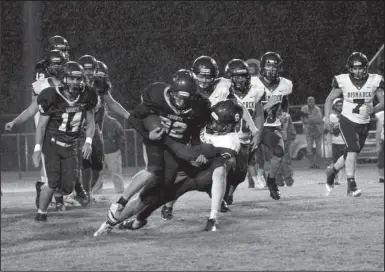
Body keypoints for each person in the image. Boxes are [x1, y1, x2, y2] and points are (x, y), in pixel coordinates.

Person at [93, 99, 244, 236]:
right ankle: (113, 223)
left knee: (220, 170)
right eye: (214, 120)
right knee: (148, 199)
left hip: (203, 176)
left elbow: (223, 166)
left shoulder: (230, 141)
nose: (214, 125)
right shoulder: (201, 120)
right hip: (183, 168)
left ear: (231, 126)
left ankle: (213, 218)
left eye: (221, 124)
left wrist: (205, 157)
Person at [32, 61, 97, 221]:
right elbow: (41, 126)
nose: (75, 82)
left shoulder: (87, 95)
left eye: (78, 79)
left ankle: (56, 196)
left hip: (71, 145)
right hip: (52, 144)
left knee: (68, 187)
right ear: (64, 79)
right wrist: (37, 148)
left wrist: (88, 141)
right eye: (71, 78)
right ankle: (41, 214)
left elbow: (90, 123)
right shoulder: (51, 95)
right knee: (53, 182)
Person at [324, 52, 384, 196]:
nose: (357, 70)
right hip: (347, 120)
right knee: (352, 150)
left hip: (364, 122)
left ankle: (332, 170)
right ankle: (351, 184)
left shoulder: (375, 80)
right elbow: (329, 99)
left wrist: (374, 108)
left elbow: (383, 102)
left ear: (366, 67)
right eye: (354, 68)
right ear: (350, 68)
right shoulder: (342, 80)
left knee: (351, 152)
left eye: (360, 67)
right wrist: (327, 119)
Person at [76, 56, 130, 204]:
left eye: (90, 69)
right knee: (79, 164)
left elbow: (111, 103)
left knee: (97, 166)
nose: (87, 72)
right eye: (84, 68)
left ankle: (85, 193)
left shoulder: (99, 84)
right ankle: (77, 193)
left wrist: (128, 116)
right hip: (76, 130)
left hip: (95, 129)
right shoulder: (74, 84)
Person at [247, 51, 293, 200]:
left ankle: (271, 181)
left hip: (272, 127)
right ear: (262, 67)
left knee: (279, 152)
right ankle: (229, 191)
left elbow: (284, 101)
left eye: (275, 67)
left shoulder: (285, 84)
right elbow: (247, 108)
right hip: (253, 127)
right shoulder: (252, 83)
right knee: (242, 159)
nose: (272, 70)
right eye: (268, 66)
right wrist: (267, 107)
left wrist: (285, 113)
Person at [92, 105, 125, 194]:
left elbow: (121, 136)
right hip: (99, 153)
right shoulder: (94, 121)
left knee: (115, 174)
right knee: (98, 174)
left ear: (106, 110)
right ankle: (95, 193)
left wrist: (116, 146)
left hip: (112, 152)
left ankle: (120, 193)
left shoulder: (113, 122)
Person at [326, 98, 346, 185]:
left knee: (346, 160)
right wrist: (334, 129)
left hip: (346, 142)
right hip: (336, 142)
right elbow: (327, 129)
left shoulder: (347, 115)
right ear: (334, 106)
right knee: (335, 160)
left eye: (341, 105)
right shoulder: (331, 116)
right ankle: (334, 177)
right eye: (338, 105)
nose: (340, 107)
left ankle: (347, 178)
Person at [300, 96, 324, 169]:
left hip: (318, 131)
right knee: (309, 149)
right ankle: (311, 164)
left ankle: (317, 164)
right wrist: (312, 118)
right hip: (309, 131)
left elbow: (319, 119)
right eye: (309, 101)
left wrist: (309, 118)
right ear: (307, 102)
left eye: (312, 101)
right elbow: (303, 119)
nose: (310, 103)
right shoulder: (304, 108)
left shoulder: (317, 109)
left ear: (314, 102)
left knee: (318, 150)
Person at [275, 107, 296, 187]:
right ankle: (279, 181)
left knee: (285, 161)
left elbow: (291, 129)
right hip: (275, 141)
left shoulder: (286, 116)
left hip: (285, 141)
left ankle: (288, 180)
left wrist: (290, 139)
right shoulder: (271, 116)